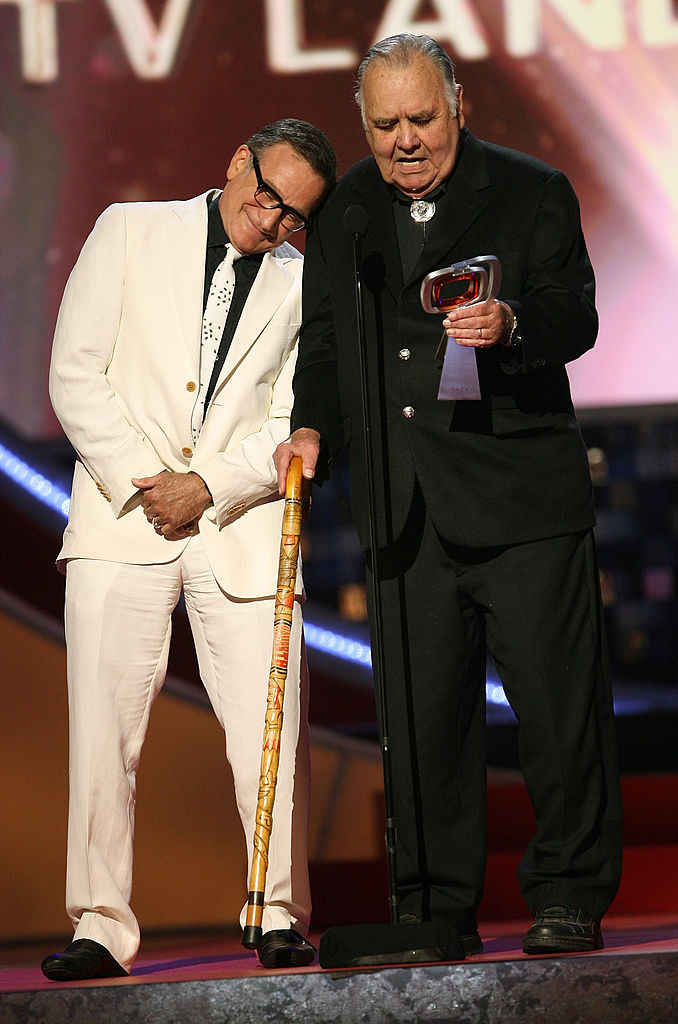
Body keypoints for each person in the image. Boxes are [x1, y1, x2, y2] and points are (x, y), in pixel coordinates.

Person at [275, 35, 622, 956]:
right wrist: (316, 425)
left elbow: (576, 313)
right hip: (403, 506)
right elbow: (323, 344)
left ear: (457, 103)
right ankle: (434, 906)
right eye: (384, 124)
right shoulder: (346, 211)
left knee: (556, 710)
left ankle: (568, 894)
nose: (404, 141)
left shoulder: (530, 190)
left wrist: (510, 323)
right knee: (424, 727)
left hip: (520, 501)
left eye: (421, 118)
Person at [42, 118, 337, 981]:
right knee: (103, 734)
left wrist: (208, 485)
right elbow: (74, 369)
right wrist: (148, 479)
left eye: (296, 216)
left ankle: (276, 907)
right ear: (237, 163)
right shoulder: (130, 229)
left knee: (269, 729)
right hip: (119, 518)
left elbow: (291, 416)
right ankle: (99, 923)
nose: (275, 222)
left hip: (238, 523)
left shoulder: (299, 279)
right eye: (270, 196)